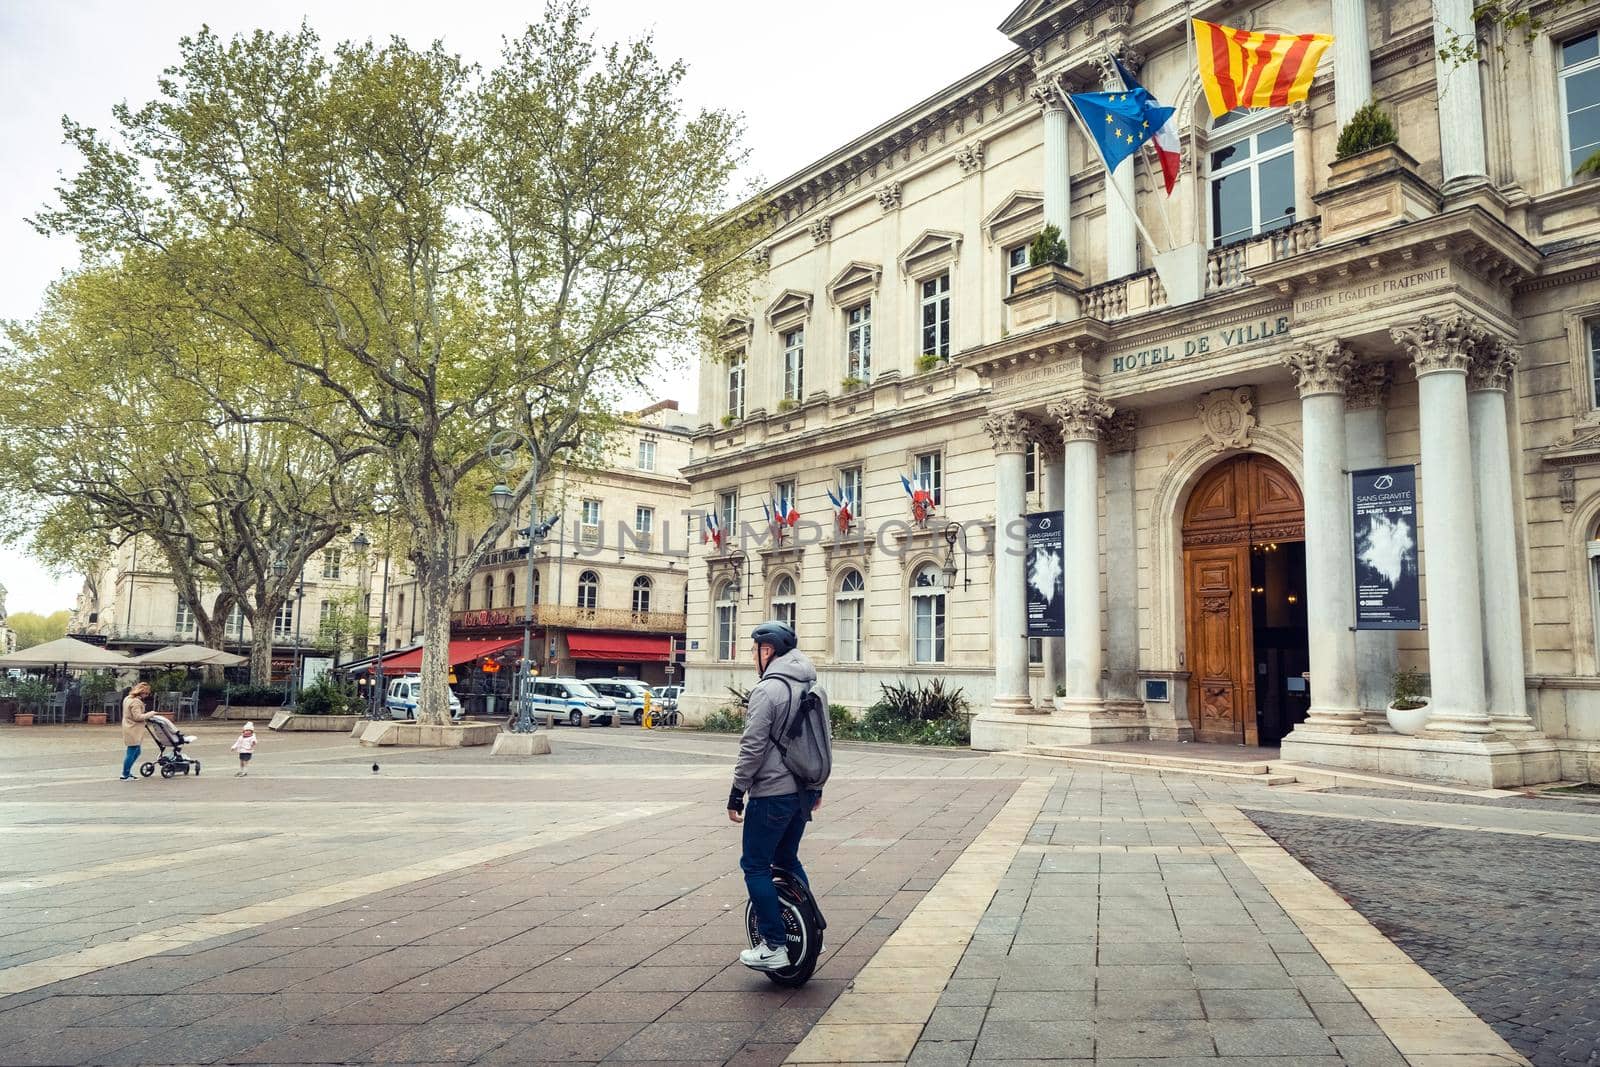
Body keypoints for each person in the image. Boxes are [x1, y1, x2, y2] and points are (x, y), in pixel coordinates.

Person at [728, 620, 830, 970]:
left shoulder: (767, 691)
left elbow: (752, 747)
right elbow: (821, 741)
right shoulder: (811, 686)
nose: (752, 657)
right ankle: (812, 932)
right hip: (801, 792)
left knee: (755, 866)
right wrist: (815, 786)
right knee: (787, 860)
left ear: (766, 650)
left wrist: (737, 791)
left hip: (770, 793)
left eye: (754, 650)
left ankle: (774, 945)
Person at [119, 682, 154, 781]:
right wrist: (150, 714)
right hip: (133, 729)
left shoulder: (127, 699)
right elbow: (137, 717)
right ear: (141, 692)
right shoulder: (136, 702)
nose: (146, 696)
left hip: (128, 726)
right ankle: (125, 774)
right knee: (132, 751)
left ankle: (127, 772)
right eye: (146, 694)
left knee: (136, 751)